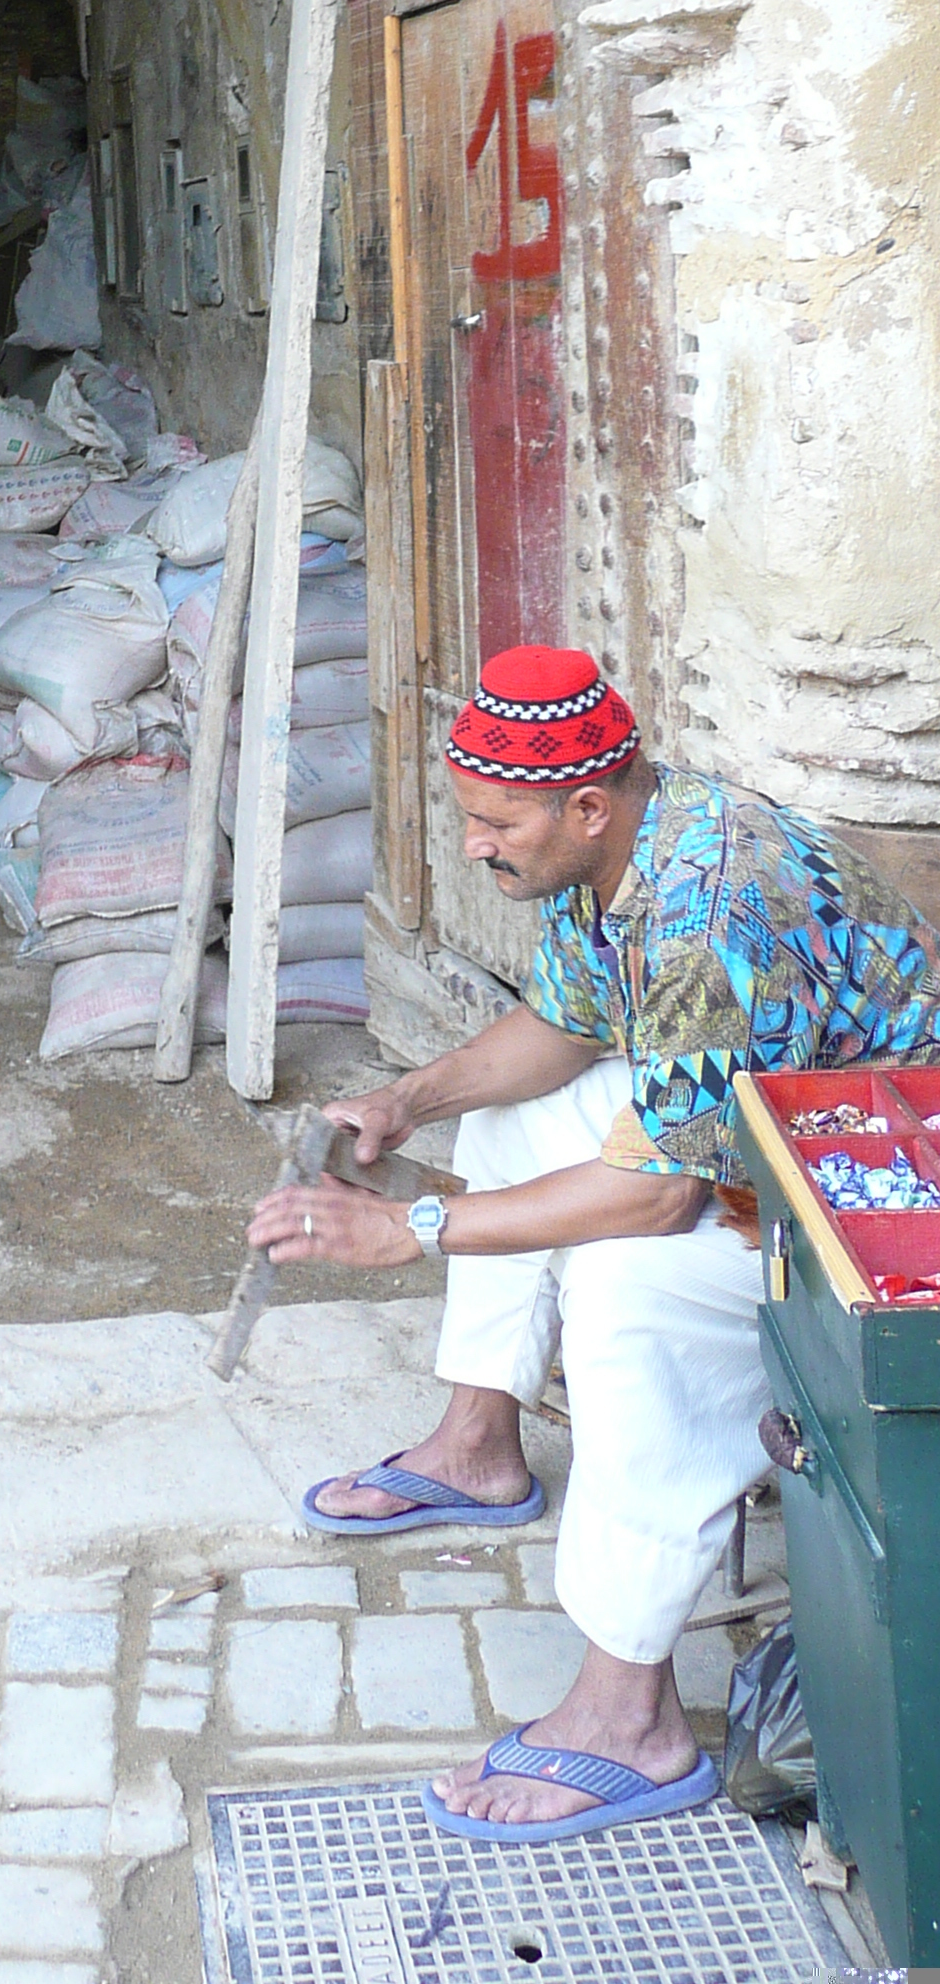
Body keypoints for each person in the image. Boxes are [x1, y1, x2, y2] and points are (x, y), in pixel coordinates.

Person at [247, 643, 940, 1843]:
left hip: (870, 1201)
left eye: (492, 821)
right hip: (770, 1150)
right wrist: (410, 1101)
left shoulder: (712, 903)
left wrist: (413, 1228)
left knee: (630, 1291)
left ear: (583, 802)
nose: (473, 845)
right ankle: (477, 1448)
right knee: (514, 1117)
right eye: (469, 818)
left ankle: (631, 1720)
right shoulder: (601, 847)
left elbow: (661, 1197)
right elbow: (565, 1031)